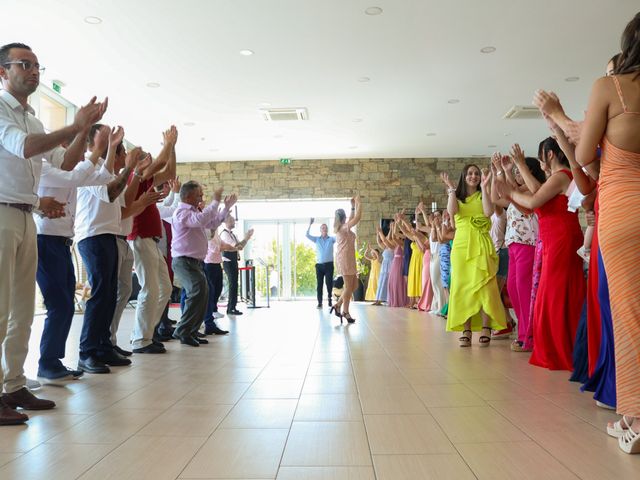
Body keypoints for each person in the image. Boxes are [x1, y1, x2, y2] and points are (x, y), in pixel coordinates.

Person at [0, 42, 107, 424]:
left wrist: (82, 135)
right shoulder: (1, 110)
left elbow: (66, 159)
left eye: (36, 66)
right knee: (0, 309)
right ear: (3, 72)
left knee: (22, 310)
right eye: (23, 64)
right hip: (2, 214)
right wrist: (77, 125)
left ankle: (13, 386)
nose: (32, 71)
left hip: (26, 215)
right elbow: (24, 148)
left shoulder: (33, 119)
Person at [575, 12, 640, 453]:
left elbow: (583, 154)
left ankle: (634, 417)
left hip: (622, 213)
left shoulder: (612, 87)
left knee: (630, 315)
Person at [34, 125, 114, 383]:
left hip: (61, 242)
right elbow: (73, 178)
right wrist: (99, 148)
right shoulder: (46, 167)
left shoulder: (70, 168)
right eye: (78, 148)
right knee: (59, 304)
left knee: (65, 303)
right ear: (63, 148)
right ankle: (47, 363)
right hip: (45, 239)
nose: (82, 154)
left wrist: (109, 149)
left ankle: (52, 361)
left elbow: (103, 178)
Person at [497, 140, 585, 369]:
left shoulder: (562, 175)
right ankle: (557, 346)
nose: (540, 162)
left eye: (540, 157)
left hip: (561, 238)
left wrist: (513, 188)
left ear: (549, 154)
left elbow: (534, 199)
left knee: (555, 292)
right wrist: (513, 185)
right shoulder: (555, 179)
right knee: (551, 291)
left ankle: (562, 349)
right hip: (553, 238)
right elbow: (533, 202)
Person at [75, 126, 148, 373]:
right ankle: (87, 352)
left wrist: (128, 168)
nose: (112, 144)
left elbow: (118, 196)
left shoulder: (105, 171)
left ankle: (103, 346)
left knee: (109, 294)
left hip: (107, 235)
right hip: (93, 235)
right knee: (99, 294)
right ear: (92, 141)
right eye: (105, 138)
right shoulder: (89, 167)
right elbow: (109, 193)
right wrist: (129, 167)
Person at [441, 165, 506, 346]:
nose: (474, 176)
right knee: (463, 287)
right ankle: (466, 329)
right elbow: (452, 211)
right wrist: (451, 190)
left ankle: (486, 327)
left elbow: (488, 212)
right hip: (461, 246)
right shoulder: (457, 196)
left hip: (481, 244)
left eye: (477, 173)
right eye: (470, 173)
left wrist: (485, 186)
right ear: (464, 176)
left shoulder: (482, 192)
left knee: (485, 286)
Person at [127, 126, 178, 354]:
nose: (149, 158)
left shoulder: (147, 180)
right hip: (139, 236)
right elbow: (158, 164)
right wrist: (167, 144)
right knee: (149, 288)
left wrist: (172, 147)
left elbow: (169, 172)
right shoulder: (135, 176)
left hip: (152, 240)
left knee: (164, 288)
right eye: (144, 157)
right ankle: (141, 339)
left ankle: (146, 332)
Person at [490, 152, 544, 352]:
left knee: (523, 289)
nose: (518, 175)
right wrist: (500, 171)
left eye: (521, 172)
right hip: (513, 244)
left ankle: (528, 336)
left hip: (528, 244)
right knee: (513, 289)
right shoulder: (517, 193)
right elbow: (497, 198)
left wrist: (507, 175)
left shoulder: (533, 192)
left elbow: (517, 198)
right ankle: (524, 332)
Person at [171, 181, 234, 346]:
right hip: (183, 261)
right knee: (197, 291)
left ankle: (191, 330)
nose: (201, 197)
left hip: (194, 262)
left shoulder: (194, 212)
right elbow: (199, 220)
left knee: (203, 294)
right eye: (199, 194)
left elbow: (212, 223)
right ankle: (182, 330)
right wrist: (215, 201)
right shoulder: (181, 213)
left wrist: (225, 207)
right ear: (189, 196)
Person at [330, 196, 362, 323]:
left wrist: (353, 206)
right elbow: (357, 219)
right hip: (345, 259)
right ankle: (345, 311)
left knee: (354, 285)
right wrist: (360, 204)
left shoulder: (342, 227)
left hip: (349, 258)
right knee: (349, 287)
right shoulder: (343, 228)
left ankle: (338, 305)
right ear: (343, 219)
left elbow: (351, 218)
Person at [220, 214, 253, 316]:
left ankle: (233, 307)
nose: (234, 222)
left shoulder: (233, 235)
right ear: (226, 222)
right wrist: (246, 238)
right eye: (232, 221)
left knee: (235, 284)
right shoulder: (225, 234)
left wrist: (246, 239)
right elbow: (237, 246)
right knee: (233, 284)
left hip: (233, 261)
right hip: (228, 261)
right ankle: (230, 308)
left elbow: (240, 246)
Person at [203, 228, 231, 335]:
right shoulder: (207, 231)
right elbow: (215, 248)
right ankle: (209, 322)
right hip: (209, 264)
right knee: (210, 292)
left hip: (217, 264)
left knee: (217, 290)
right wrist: (227, 247)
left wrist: (229, 247)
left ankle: (212, 315)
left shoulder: (216, 234)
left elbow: (223, 245)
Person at [306, 218, 336, 308]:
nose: (324, 229)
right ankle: (319, 302)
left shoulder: (331, 239)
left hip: (329, 265)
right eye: (322, 228)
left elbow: (339, 236)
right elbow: (307, 235)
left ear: (327, 230)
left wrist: (338, 226)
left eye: (325, 228)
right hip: (319, 266)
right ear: (320, 230)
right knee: (319, 285)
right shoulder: (316, 239)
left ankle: (330, 298)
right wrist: (310, 224)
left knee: (329, 283)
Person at [374, 225, 394, 306]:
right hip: (384, 266)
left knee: (388, 283)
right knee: (381, 282)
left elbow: (385, 239)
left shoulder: (393, 246)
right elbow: (379, 241)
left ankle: (389, 299)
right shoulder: (386, 247)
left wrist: (380, 232)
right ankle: (378, 300)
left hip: (390, 266)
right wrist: (378, 234)